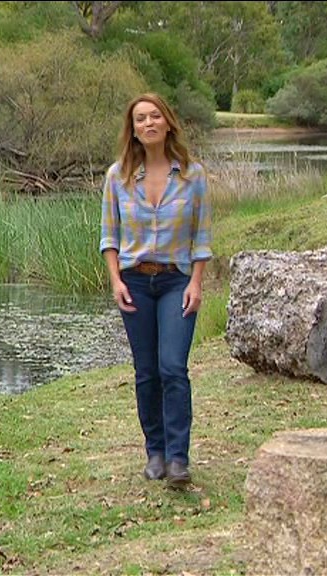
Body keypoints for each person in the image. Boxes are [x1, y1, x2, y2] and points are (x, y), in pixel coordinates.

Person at [99, 93, 212, 487]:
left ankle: (179, 459)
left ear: (167, 122)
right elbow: (109, 236)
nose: (148, 123)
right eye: (140, 119)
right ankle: (156, 452)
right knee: (146, 372)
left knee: (173, 368)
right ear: (133, 130)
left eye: (154, 116)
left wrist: (196, 282)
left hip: (176, 280)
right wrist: (116, 280)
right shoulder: (117, 176)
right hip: (134, 282)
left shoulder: (193, 176)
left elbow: (202, 237)